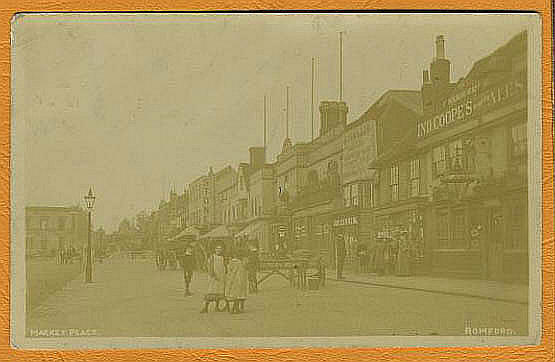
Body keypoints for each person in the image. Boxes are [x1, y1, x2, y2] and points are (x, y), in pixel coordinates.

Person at [201, 245, 226, 313]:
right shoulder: (212, 257)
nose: (219, 250)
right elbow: (210, 267)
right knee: (211, 291)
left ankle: (217, 307)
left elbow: (223, 267)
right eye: (217, 248)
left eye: (220, 249)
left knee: (218, 292)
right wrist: (214, 275)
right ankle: (205, 307)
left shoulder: (222, 257)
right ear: (214, 249)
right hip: (213, 278)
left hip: (221, 277)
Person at [225, 249, 249, 314]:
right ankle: (235, 308)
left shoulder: (233, 262)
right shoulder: (241, 262)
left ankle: (234, 308)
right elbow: (245, 268)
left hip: (234, 279)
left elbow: (229, 270)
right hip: (240, 279)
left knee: (235, 294)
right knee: (238, 294)